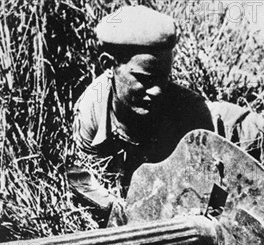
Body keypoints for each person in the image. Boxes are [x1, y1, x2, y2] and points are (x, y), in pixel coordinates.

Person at [67, 6, 214, 222]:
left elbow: (200, 187)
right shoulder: (91, 111)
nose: (157, 91)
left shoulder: (192, 112)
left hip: (225, 124)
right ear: (109, 65)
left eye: (164, 78)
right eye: (145, 79)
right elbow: (84, 178)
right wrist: (115, 208)